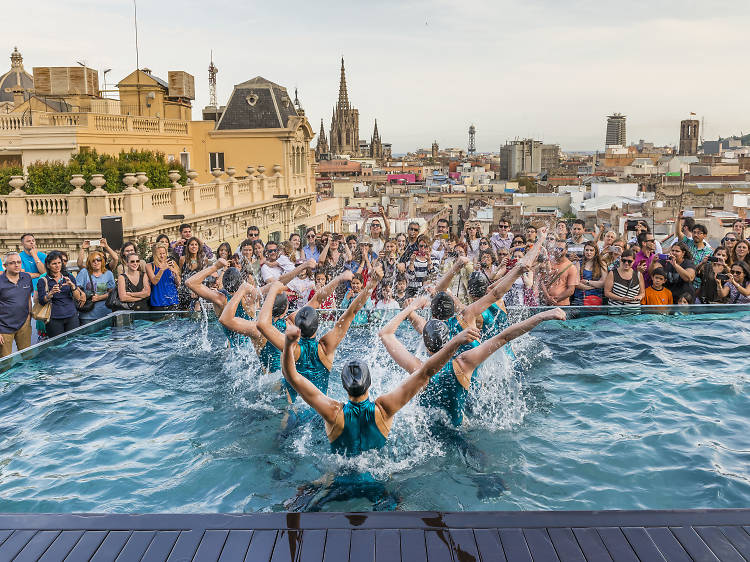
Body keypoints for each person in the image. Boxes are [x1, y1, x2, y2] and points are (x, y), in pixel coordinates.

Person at [282, 320, 480, 456]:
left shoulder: (333, 413)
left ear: (343, 386)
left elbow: (292, 377)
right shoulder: (384, 409)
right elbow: (426, 372)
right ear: (370, 383)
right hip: (377, 481)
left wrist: (289, 343)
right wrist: (454, 342)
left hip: (339, 480)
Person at [380, 298, 565, 427]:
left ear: (426, 346)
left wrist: (410, 307)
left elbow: (385, 334)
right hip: (459, 430)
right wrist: (542, 316)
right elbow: (505, 337)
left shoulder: (417, 370)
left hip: (427, 429)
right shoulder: (462, 363)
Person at [258, 268, 382, 403]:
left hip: (294, 411)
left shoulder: (291, 348)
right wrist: (372, 283)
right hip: (323, 410)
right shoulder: (325, 347)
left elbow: (263, 325)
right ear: (317, 326)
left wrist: (272, 291)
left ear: (296, 327)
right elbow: (351, 312)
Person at [36, 251, 85, 337]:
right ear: (48, 265)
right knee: (58, 346)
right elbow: (41, 301)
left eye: (59, 263)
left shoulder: (69, 276)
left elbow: (77, 298)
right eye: (54, 263)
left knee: (74, 343)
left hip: (71, 315)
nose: (57, 265)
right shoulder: (43, 280)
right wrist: (50, 294)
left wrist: (73, 286)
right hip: (54, 318)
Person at [0, 252, 33, 357]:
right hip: (4, 327)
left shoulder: (26, 277)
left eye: (19, 262)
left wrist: (29, 316)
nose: (17, 265)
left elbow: (28, 297)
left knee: (27, 357)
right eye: (12, 263)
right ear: (5, 266)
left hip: (24, 324)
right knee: (5, 362)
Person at [75, 251, 115, 324]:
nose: (96, 262)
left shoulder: (108, 274)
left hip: (105, 314)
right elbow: (75, 287)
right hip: (87, 315)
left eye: (98, 260)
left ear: (102, 261)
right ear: (89, 262)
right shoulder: (84, 272)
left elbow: (112, 293)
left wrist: (100, 297)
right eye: (93, 260)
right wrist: (82, 293)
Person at [604, 249, 645, 315]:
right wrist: (620, 299)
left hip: (634, 314)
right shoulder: (612, 273)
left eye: (629, 261)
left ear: (634, 261)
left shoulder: (639, 275)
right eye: (624, 260)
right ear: (620, 260)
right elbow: (607, 292)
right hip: (616, 313)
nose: (626, 263)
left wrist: (639, 297)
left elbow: (642, 293)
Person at [542, 240, 579, 306]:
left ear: (566, 250)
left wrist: (555, 300)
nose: (557, 251)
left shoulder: (571, 267)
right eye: (556, 248)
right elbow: (541, 281)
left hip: (562, 305)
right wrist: (547, 297)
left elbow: (571, 290)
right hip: (546, 303)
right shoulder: (548, 262)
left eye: (561, 249)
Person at [146, 243, 181, 311]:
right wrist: (162, 269)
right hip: (158, 303)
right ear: (154, 254)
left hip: (173, 301)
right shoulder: (149, 266)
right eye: (159, 254)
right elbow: (154, 282)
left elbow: (179, 284)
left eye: (164, 253)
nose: (162, 256)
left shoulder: (172, 263)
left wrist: (176, 273)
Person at [573, 242, 606, 306]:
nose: (589, 252)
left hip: (596, 299)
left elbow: (603, 283)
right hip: (580, 299)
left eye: (591, 250)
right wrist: (594, 286)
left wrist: (587, 282)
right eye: (587, 250)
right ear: (584, 251)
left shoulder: (602, 264)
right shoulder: (578, 263)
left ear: (596, 251)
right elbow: (576, 283)